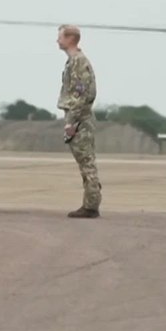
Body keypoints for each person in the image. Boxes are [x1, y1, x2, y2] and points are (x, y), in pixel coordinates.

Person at [56, 24, 101, 218]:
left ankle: (91, 206)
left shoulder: (78, 62)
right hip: (78, 117)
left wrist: (71, 122)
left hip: (80, 119)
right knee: (85, 162)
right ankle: (90, 203)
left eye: (60, 37)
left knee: (87, 162)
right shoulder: (73, 61)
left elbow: (81, 93)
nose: (58, 40)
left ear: (70, 39)